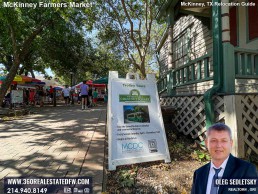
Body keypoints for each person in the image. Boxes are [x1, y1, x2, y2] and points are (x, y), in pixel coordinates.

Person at [191, 123, 257, 194]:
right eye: (214, 140)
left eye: (224, 141)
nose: (219, 145)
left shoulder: (246, 170)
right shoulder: (199, 174)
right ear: (207, 143)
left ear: (231, 143)